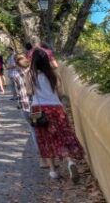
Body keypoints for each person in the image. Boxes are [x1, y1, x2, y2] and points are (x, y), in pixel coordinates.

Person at [28, 49, 84, 181]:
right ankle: (69, 161)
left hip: (38, 109)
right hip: (56, 108)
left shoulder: (30, 75)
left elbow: (29, 92)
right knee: (63, 135)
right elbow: (60, 93)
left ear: (34, 62)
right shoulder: (54, 74)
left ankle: (53, 171)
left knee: (45, 139)